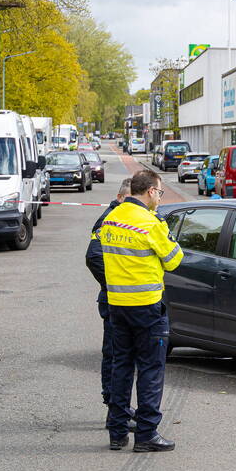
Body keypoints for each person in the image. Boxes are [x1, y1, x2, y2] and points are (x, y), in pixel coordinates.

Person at [100, 170, 183, 452]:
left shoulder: (111, 218)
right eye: (159, 193)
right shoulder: (151, 223)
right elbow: (173, 261)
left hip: (117, 306)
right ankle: (146, 434)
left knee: (121, 367)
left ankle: (117, 432)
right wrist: (169, 237)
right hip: (147, 306)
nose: (159, 198)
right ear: (149, 191)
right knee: (150, 369)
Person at [85, 178, 134, 427]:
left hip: (120, 297)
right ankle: (114, 408)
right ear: (121, 197)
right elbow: (93, 256)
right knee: (115, 354)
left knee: (118, 354)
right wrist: (114, 283)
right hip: (115, 298)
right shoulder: (110, 219)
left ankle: (117, 407)